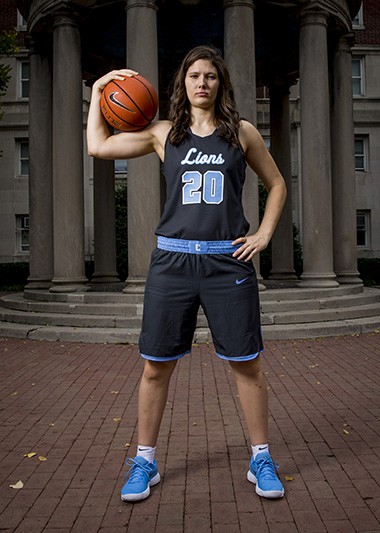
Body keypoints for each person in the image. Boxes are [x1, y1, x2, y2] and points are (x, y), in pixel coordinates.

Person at [87, 45, 287, 502]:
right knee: (155, 367)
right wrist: (99, 91)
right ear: (183, 83)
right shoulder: (163, 135)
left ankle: (260, 457)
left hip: (225, 262)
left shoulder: (243, 134)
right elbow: (98, 145)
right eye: (194, 75)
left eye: (210, 76)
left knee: (247, 364)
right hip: (172, 263)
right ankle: (145, 461)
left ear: (221, 84)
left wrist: (263, 235)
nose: (202, 83)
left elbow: (277, 184)